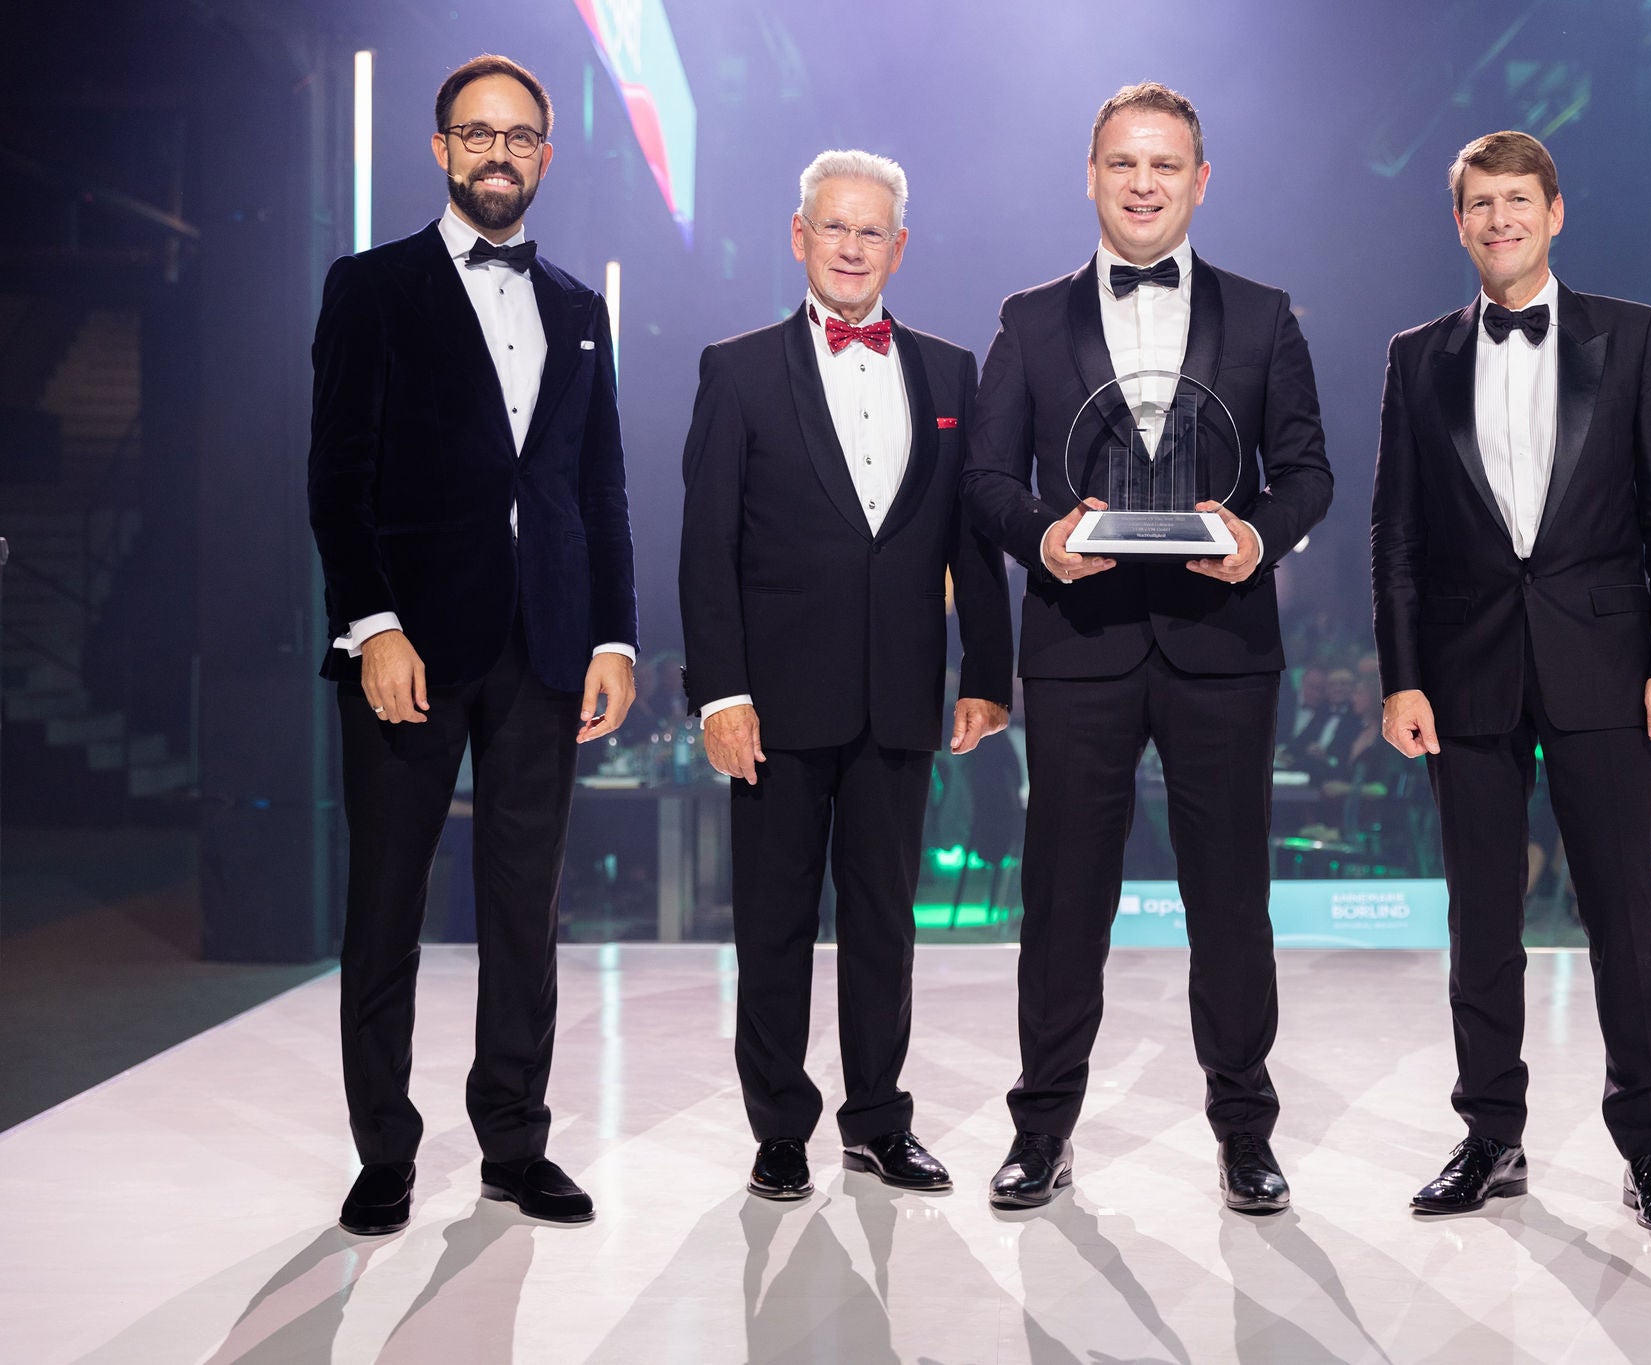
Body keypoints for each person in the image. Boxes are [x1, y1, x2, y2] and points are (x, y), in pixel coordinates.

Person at [961, 82, 1333, 1215]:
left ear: (1200, 181)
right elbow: (986, 479)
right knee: (1062, 897)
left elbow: (1307, 472)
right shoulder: (1030, 318)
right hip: (1079, 639)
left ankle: (1245, 1135)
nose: (1141, 183)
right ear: (1091, 175)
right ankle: (1041, 1129)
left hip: (1224, 641)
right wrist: (1043, 537)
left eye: (1164, 164)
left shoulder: (1265, 313)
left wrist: (1257, 536)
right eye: (1122, 162)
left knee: (1232, 898)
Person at [307, 54, 637, 1235]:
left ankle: (514, 1142)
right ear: (441, 148)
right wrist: (373, 625)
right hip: (407, 645)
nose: (499, 153)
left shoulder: (578, 310)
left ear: (544, 154)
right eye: (477, 133)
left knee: (524, 909)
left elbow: (598, 489)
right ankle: (383, 1153)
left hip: (542, 646)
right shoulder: (370, 287)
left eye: (519, 136)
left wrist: (613, 637)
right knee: (385, 905)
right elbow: (336, 477)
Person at [1371, 131, 1651, 1234]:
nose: (1500, 219)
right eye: (1480, 203)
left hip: (1604, 667)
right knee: (1481, 918)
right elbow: (1395, 536)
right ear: (1458, 221)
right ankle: (1490, 1135)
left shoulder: (1631, 335)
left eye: (1518, 199)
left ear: (1554, 213)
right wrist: (1401, 677)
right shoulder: (1414, 355)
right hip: (1463, 673)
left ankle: (1649, 1149)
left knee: (1623, 916)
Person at [678, 150, 1013, 1202]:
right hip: (773, 704)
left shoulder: (951, 371)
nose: (853, 248)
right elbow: (706, 546)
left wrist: (986, 671)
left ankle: (876, 1120)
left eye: (872, 231)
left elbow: (970, 537)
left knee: (883, 921)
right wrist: (720, 692)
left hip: (899, 696)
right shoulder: (736, 369)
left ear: (898, 247)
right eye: (835, 227)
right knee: (773, 924)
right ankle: (780, 1129)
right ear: (800, 236)